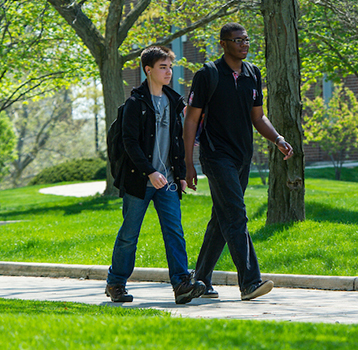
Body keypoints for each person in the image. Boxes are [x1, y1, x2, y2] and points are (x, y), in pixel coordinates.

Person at [183, 23, 294, 301]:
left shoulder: (252, 74)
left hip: (242, 157)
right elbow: (192, 119)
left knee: (222, 219)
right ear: (223, 43)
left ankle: (200, 279)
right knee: (235, 214)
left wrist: (278, 138)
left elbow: (258, 117)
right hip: (216, 155)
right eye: (237, 40)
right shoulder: (208, 74)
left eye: (246, 39)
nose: (244, 44)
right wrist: (188, 162)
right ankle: (249, 282)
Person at [106, 46, 205, 304]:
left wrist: (181, 173)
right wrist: (150, 172)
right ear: (148, 70)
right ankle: (116, 283)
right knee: (129, 233)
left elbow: (177, 141)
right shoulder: (135, 104)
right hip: (140, 180)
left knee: (174, 231)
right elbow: (130, 143)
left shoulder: (174, 101)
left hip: (168, 181)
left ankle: (181, 284)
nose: (169, 72)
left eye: (170, 67)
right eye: (163, 67)